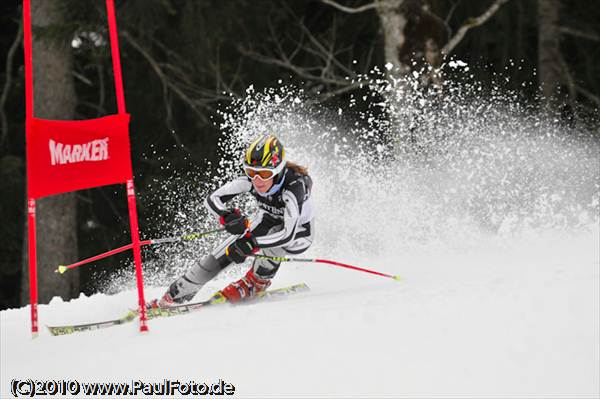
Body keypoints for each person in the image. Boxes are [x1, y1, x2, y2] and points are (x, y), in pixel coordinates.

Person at [155, 134, 315, 306]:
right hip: (267, 221)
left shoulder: (294, 187)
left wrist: (252, 243)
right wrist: (226, 216)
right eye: (251, 172)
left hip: (298, 235)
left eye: (265, 173)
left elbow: (287, 234)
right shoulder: (251, 180)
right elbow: (212, 199)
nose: (257, 180)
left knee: (271, 236)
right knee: (223, 254)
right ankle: (176, 294)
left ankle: (255, 283)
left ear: (278, 170)